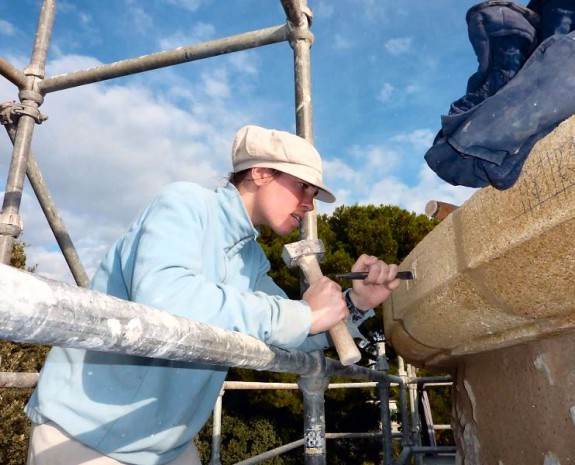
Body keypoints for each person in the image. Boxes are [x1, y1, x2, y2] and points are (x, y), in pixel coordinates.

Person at [25, 125, 403, 465]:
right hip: (86, 437)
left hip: (167, 446)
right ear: (259, 172)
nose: (309, 203)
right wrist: (302, 314)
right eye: (302, 186)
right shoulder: (185, 204)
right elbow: (165, 297)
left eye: (314, 192)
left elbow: (295, 333)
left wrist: (357, 304)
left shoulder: (251, 258)